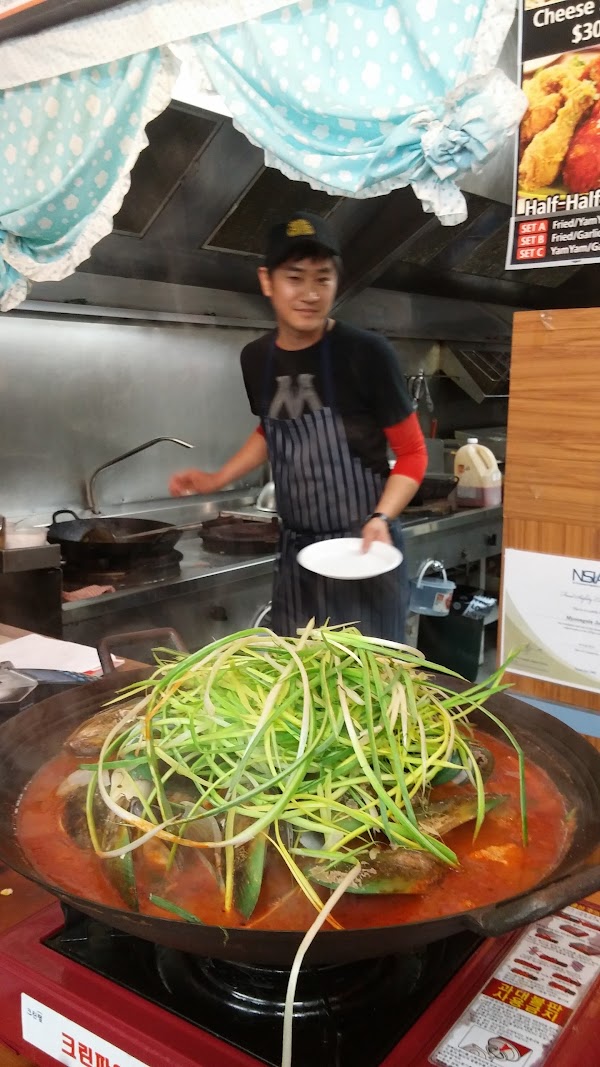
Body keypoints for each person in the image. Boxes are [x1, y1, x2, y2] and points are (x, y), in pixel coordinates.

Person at [169, 211, 427, 640]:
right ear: (267, 281)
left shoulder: (366, 353)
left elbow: (413, 453)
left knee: (367, 673)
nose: (310, 294)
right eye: (294, 278)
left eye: (322, 279)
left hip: (363, 548)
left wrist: (382, 516)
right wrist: (218, 478)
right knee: (297, 671)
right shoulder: (256, 359)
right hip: (297, 554)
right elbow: (272, 429)